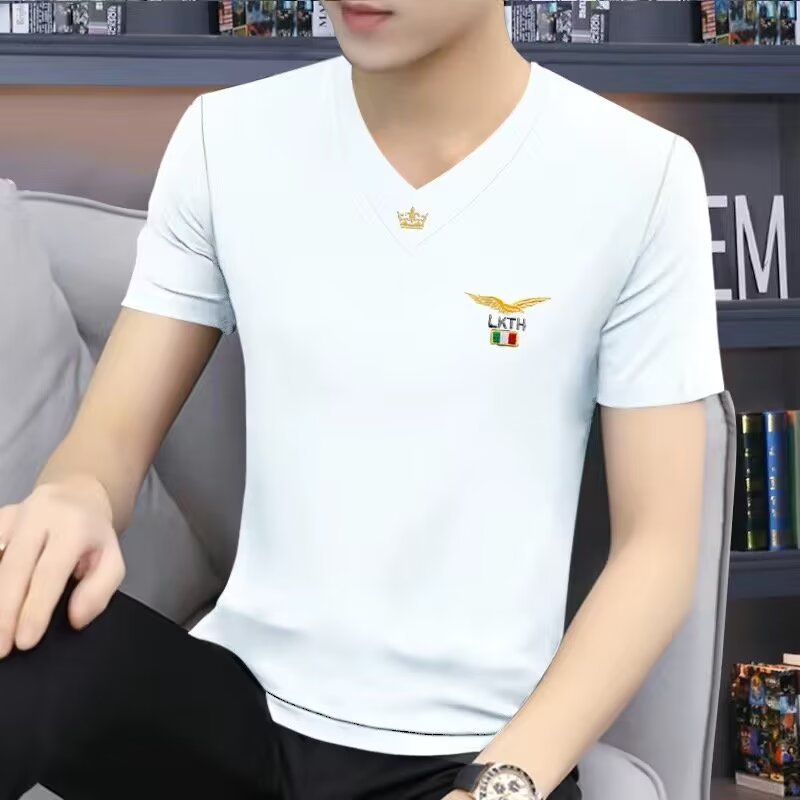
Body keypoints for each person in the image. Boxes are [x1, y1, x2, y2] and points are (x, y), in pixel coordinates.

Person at [0, 0, 724, 798]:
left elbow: (657, 552)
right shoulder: (225, 139)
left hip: (466, 753)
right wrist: (75, 494)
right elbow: (105, 447)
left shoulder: (638, 177)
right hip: (239, 714)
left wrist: (503, 782)